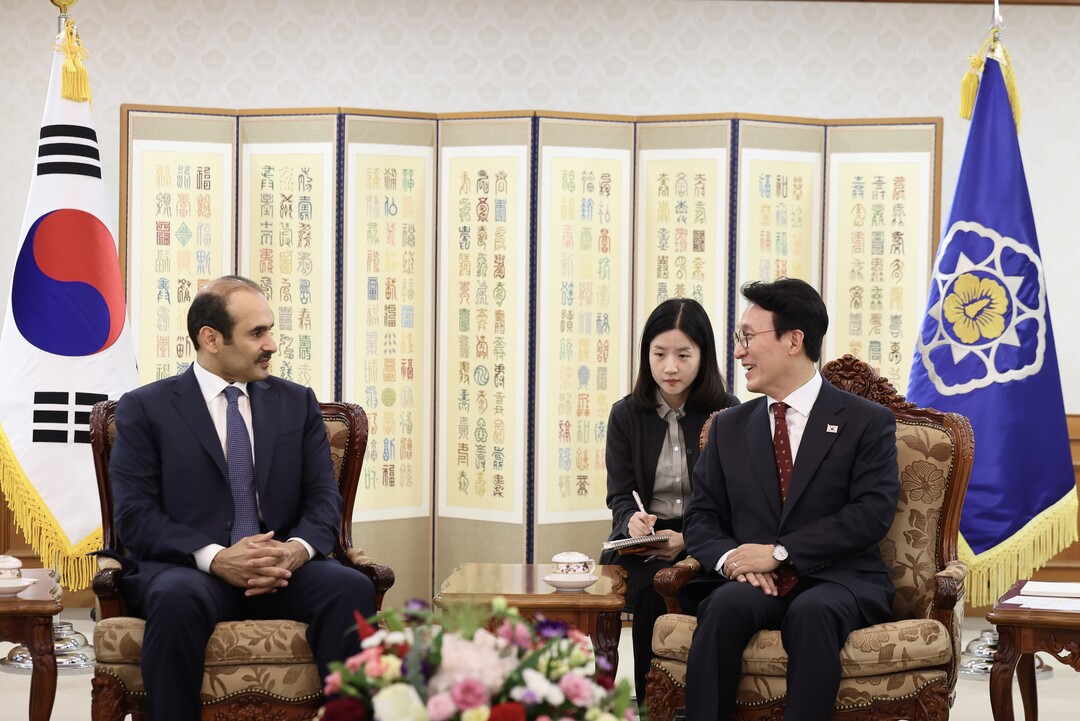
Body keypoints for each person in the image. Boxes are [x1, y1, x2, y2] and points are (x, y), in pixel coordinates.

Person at [108, 275, 375, 721]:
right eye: (257, 333)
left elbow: (323, 499)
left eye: (270, 330)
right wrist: (215, 558)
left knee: (350, 587)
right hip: (192, 570)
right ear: (210, 338)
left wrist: (295, 550)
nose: (271, 344)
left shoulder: (296, 403)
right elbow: (135, 514)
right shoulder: (146, 408)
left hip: (282, 567)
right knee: (174, 599)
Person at [682, 277, 899, 721]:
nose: (739, 352)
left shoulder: (866, 421)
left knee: (813, 612)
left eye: (747, 338)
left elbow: (870, 514)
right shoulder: (728, 428)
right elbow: (701, 516)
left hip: (837, 578)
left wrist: (781, 554)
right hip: (754, 584)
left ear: (794, 340)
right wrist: (733, 562)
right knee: (722, 606)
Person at [601, 297, 738, 700]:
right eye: (659, 354)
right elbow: (620, 496)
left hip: (709, 537)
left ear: (703, 356)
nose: (670, 367)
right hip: (645, 540)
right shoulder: (625, 415)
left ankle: (703, 698)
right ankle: (650, 699)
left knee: (718, 592)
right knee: (647, 588)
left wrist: (689, 540)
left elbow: (738, 500)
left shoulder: (727, 413)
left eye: (683, 354)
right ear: (647, 356)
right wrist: (633, 521)